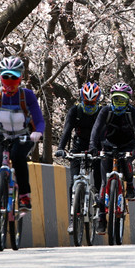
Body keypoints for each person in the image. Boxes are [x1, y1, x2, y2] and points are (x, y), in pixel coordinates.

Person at [0, 56, 45, 228]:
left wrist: (38, 133)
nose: (10, 81)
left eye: (14, 77)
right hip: (0, 136)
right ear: (0, 77)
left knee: (18, 158)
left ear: (20, 78)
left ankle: (24, 196)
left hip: (23, 136)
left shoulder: (28, 96)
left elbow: (39, 120)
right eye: (6, 76)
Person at [90, 82, 135, 235]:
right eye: (116, 99)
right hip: (108, 145)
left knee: (126, 161)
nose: (119, 103)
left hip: (127, 145)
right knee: (103, 182)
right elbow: (96, 129)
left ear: (128, 100)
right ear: (111, 99)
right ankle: (101, 217)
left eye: (122, 100)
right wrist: (93, 146)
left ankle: (130, 185)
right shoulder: (105, 111)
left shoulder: (132, 112)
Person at [55, 82, 103, 234]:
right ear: (82, 99)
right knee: (73, 182)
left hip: (97, 146)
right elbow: (67, 130)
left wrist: (103, 150)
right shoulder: (75, 110)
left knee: (98, 175)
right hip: (79, 145)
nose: (90, 105)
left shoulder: (101, 111)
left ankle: (97, 199)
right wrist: (61, 148)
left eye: (93, 102)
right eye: (87, 102)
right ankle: (72, 218)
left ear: (98, 100)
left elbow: (106, 131)